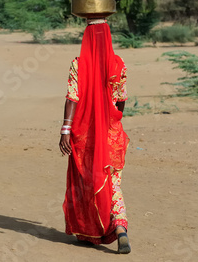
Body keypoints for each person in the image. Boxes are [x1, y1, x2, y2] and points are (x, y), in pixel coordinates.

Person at [59, 19, 131, 254]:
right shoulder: (118, 64)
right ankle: (120, 228)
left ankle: (89, 229)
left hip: (86, 135)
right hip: (111, 135)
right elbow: (121, 102)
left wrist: (65, 130)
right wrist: (110, 122)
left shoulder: (78, 64)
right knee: (112, 182)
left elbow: (72, 98)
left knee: (86, 181)